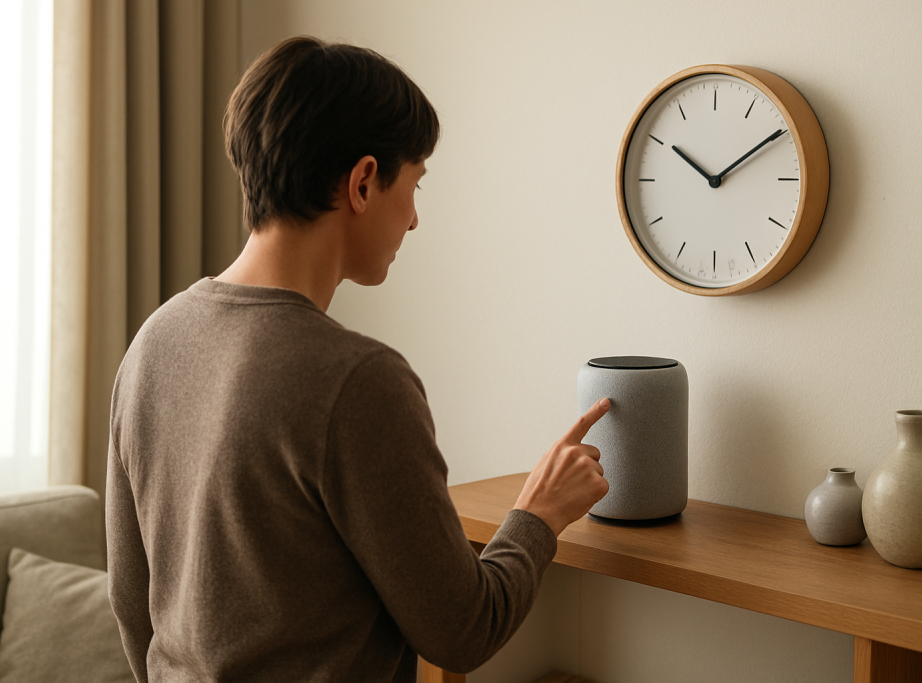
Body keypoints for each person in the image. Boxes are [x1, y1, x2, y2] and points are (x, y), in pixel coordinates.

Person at [105, 36, 610, 683]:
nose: (415, 220)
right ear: (364, 181)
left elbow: (131, 598)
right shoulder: (356, 380)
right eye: (414, 184)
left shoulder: (155, 338)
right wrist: (537, 513)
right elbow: (462, 629)